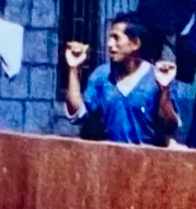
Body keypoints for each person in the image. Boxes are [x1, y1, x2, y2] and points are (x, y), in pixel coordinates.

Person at [61, 16, 180, 146]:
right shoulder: (101, 76)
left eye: (116, 38)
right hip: (110, 160)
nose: (109, 44)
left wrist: (164, 90)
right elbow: (78, 114)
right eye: (110, 37)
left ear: (135, 43)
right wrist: (73, 68)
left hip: (148, 162)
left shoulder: (157, 77)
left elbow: (169, 126)